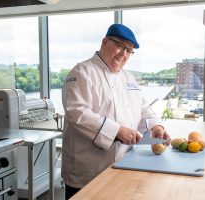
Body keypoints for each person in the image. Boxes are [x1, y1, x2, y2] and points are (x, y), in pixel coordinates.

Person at [61, 23, 171, 199]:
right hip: (88, 169)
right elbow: (77, 113)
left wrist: (155, 126)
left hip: (125, 162)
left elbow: (142, 107)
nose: (124, 53)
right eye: (119, 45)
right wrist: (117, 131)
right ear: (104, 42)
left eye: (129, 50)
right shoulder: (82, 72)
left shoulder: (128, 77)